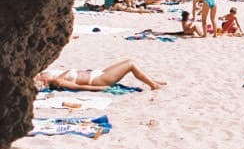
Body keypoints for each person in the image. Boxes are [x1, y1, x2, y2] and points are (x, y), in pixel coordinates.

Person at [34, 59, 165, 91]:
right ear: (45, 82)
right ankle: (153, 85)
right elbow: (78, 87)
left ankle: (152, 80)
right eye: (42, 76)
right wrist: (100, 89)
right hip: (99, 80)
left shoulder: (54, 75)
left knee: (127, 61)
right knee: (130, 64)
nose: (42, 74)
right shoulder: (58, 81)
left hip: (98, 73)